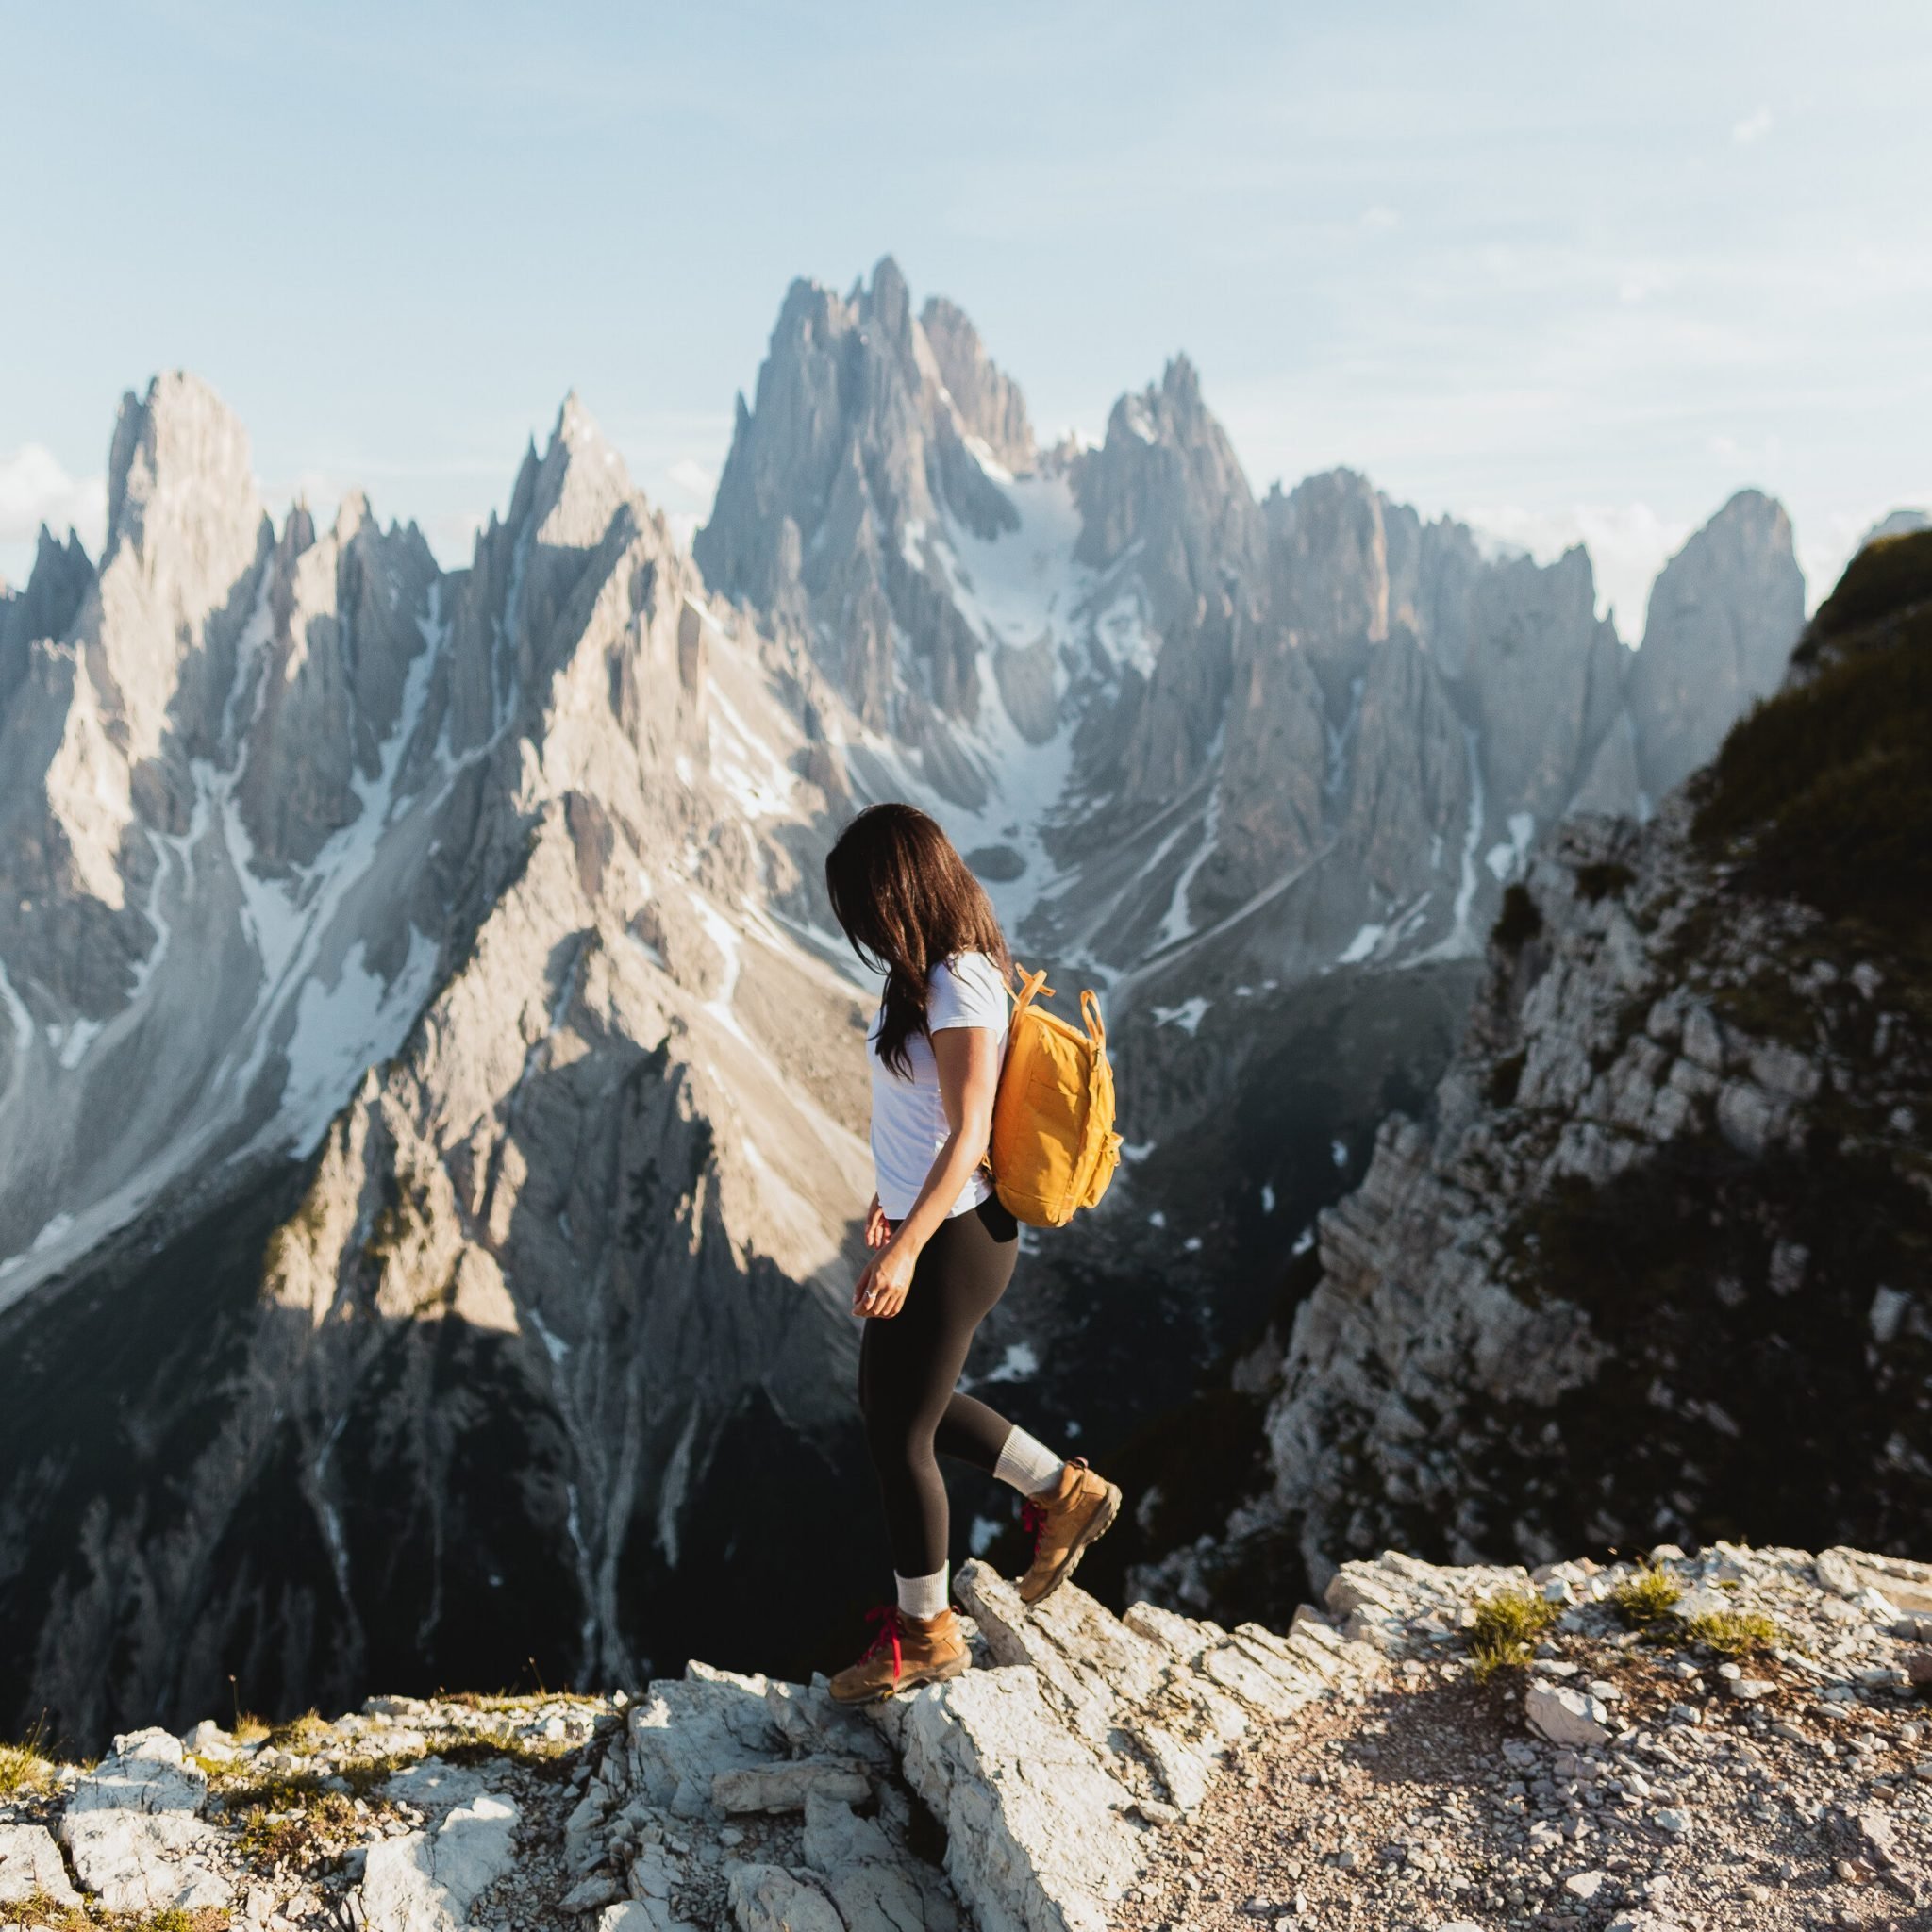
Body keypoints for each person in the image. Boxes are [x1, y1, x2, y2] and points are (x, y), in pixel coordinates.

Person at [820, 802, 1122, 1705]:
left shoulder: (960, 981)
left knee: (899, 1433)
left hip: (959, 1239)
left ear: (900, 890)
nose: (862, 929)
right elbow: (919, 1124)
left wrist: (907, 1248)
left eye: (866, 907)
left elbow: (969, 1138)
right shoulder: (926, 976)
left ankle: (925, 1634)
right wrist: (890, 1196)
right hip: (935, 1223)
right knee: (900, 1406)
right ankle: (1063, 1491)